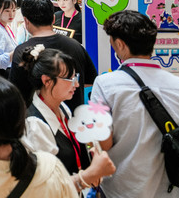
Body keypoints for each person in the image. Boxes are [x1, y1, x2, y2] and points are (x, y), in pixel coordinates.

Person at [90, 10, 179, 198]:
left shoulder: (104, 85)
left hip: (122, 191)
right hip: (173, 192)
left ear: (120, 44)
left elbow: (104, 143)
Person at [21, 46, 116, 192]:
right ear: (47, 81)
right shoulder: (35, 125)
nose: (76, 84)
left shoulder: (62, 108)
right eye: (69, 79)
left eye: (75, 77)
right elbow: (47, 186)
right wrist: (87, 176)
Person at [9, 0, 97, 111]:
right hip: (73, 117)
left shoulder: (22, 51)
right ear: (54, 19)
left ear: (26, 21)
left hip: (35, 118)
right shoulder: (75, 46)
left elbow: (16, 93)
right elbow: (90, 81)